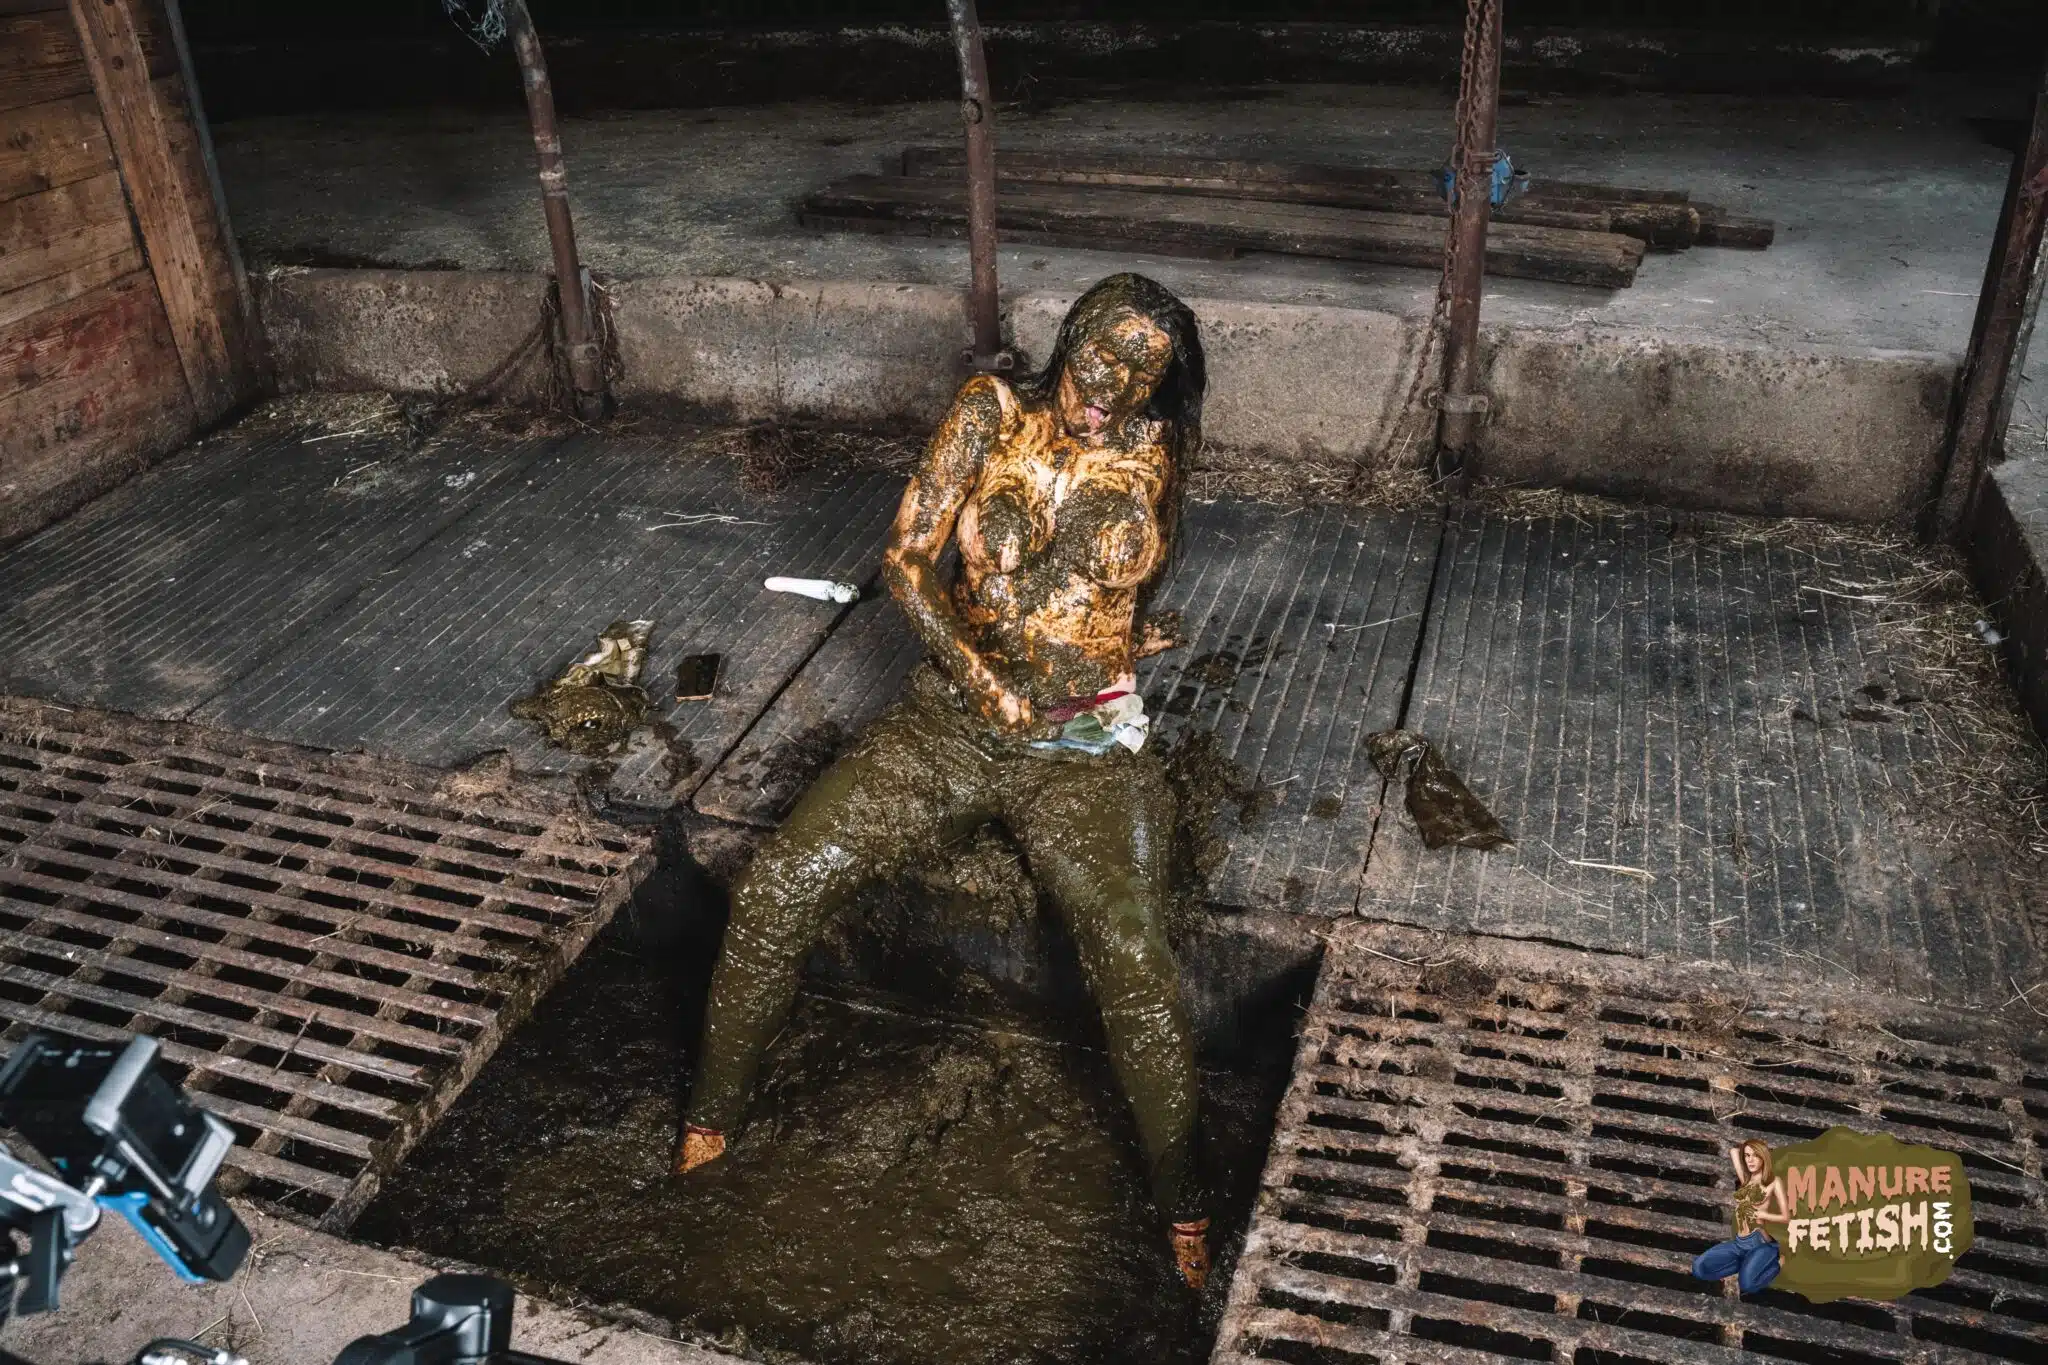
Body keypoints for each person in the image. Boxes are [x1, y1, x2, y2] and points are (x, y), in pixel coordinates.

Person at [673, 274, 1215, 1289]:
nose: (1113, 384)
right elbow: (905, 561)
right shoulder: (990, 414)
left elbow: (1160, 550)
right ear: (1071, 334)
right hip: (951, 724)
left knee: (1135, 960)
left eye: (1143, 372)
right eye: (1103, 353)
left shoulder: (1157, 446)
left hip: (1084, 742)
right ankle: (710, 1121)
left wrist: (1125, 632)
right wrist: (980, 679)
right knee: (780, 885)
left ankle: (1186, 1203)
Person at [1693, 1138, 1789, 1294]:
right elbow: (1733, 1151)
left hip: (1758, 1242)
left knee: (1747, 1285)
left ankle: (1778, 1263)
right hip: (1740, 1242)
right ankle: (1745, 1265)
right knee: (1699, 1268)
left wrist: (1763, 1214)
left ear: (1764, 1157)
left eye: (1756, 1156)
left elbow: (1786, 1217)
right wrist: (1748, 1149)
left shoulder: (1773, 1182)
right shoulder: (1746, 1179)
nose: (1750, 1160)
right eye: (1747, 1155)